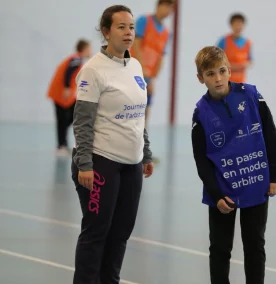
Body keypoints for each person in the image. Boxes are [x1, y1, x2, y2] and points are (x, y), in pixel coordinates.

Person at [71, 5, 154, 284]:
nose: (128, 32)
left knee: (120, 235)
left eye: (131, 27)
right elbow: (82, 123)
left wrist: (146, 152)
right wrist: (85, 164)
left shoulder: (135, 65)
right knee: (96, 233)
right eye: (121, 27)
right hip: (101, 162)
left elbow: (138, 114)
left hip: (131, 165)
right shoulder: (93, 70)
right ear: (106, 32)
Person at [191, 46, 276, 284]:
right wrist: (216, 193)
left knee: (255, 246)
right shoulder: (201, 112)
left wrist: (275, 174)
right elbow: (201, 158)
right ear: (201, 78)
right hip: (222, 192)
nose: (218, 78)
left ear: (230, 71)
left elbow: (270, 134)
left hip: (256, 185)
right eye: (210, 74)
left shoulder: (251, 96)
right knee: (220, 249)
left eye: (222, 71)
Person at [129, 0, 175, 128]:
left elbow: (161, 57)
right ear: (159, 5)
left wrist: (153, 79)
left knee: (146, 106)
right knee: (130, 106)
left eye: (171, 9)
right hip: (133, 70)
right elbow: (136, 44)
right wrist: (142, 68)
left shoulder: (166, 33)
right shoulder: (144, 21)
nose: (168, 11)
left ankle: (142, 138)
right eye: (167, 7)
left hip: (148, 76)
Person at [47, 39, 91, 156]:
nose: (90, 51)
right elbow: (69, 71)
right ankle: (61, 146)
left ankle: (63, 143)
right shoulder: (76, 58)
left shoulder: (77, 59)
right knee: (62, 120)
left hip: (66, 95)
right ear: (84, 49)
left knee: (71, 116)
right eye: (89, 48)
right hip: (60, 94)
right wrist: (66, 88)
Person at [216, 13, 252, 83]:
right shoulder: (224, 41)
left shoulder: (248, 43)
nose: (238, 27)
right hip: (225, 82)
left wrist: (244, 65)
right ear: (231, 25)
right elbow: (215, 59)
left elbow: (250, 60)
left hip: (241, 82)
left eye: (240, 24)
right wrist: (229, 66)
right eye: (235, 24)